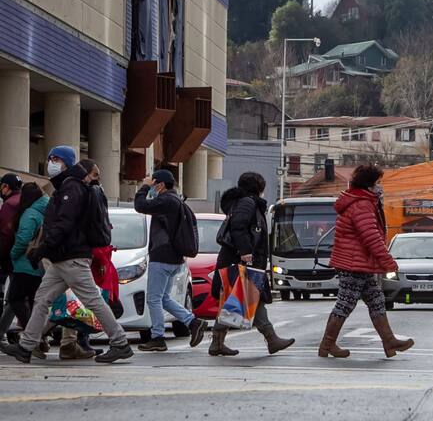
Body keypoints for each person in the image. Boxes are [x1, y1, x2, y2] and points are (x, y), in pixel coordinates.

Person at [2, 149, 133, 364]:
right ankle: (26, 346)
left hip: (72, 257)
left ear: (67, 163)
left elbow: (64, 224)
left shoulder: (71, 187)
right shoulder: (66, 186)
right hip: (61, 259)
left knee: (92, 300)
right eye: (50, 159)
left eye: (56, 159)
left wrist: (41, 249)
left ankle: (120, 343)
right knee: (42, 299)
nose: (51, 163)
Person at [318, 164, 413, 359]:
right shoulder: (361, 204)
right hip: (354, 263)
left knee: (376, 300)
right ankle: (327, 345)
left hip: (359, 262)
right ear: (368, 185)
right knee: (345, 303)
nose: (380, 187)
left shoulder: (361, 201)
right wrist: (388, 261)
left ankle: (389, 341)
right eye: (377, 183)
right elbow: (370, 236)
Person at [208, 172, 294, 356]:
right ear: (258, 188)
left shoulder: (244, 202)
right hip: (241, 259)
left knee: (238, 299)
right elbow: (238, 226)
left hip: (237, 258)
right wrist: (246, 251)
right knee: (250, 297)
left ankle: (217, 341)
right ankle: (271, 338)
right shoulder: (247, 203)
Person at [134, 169, 207, 352]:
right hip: (175, 258)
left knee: (153, 299)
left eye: (154, 184)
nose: (153, 188)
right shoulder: (177, 201)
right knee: (164, 298)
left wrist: (144, 186)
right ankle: (193, 322)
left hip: (162, 257)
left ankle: (157, 337)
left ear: (160, 185)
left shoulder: (166, 200)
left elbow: (140, 205)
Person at [0, 183, 48, 358]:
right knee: (34, 302)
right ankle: (37, 339)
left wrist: (13, 254)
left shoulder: (30, 214)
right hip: (37, 265)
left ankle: (32, 336)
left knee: (15, 299)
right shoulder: (44, 210)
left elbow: (22, 239)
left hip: (24, 264)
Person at [0, 173, 23, 329]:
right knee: (18, 297)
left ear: (6, 187)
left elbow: (5, 234)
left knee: (13, 298)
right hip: (23, 257)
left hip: (10, 257)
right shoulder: (23, 201)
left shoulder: (9, 204)